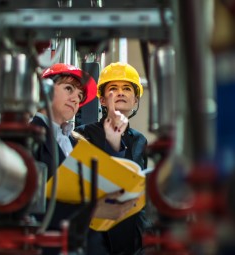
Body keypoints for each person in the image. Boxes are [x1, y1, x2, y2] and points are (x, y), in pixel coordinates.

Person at [32, 63, 137, 255]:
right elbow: (31, 204)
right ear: (44, 90)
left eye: (80, 97)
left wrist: (113, 143)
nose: (75, 99)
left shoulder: (75, 142)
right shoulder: (28, 137)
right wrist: (91, 211)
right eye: (69, 89)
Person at [75, 62, 151, 255]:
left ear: (135, 100)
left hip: (130, 237)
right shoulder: (82, 135)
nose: (121, 93)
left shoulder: (140, 140)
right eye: (113, 89)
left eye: (127, 88)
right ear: (101, 100)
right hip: (95, 236)